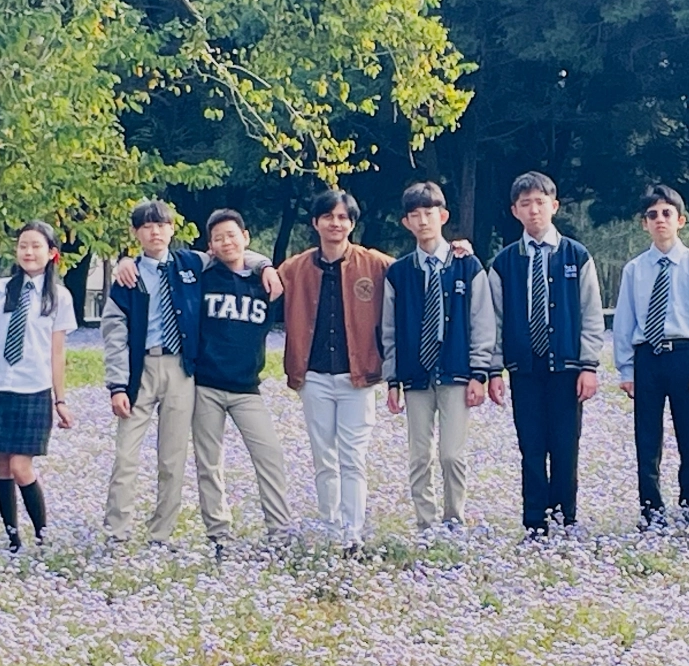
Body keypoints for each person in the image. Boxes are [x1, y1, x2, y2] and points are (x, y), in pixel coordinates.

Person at [102, 198, 279, 544]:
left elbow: (234, 253)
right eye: (146, 226)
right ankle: (116, 532)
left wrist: (266, 266)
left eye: (161, 225)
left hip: (181, 369)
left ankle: (160, 534)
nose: (155, 232)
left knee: (172, 459)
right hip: (140, 370)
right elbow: (114, 334)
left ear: (172, 229)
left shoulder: (192, 263)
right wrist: (117, 385)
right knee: (125, 456)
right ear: (136, 233)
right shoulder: (128, 276)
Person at [487, 171, 604, 534]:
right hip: (524, 369)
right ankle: (535, 522)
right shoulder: (504, 262)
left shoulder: (576, 255)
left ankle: (565, 517)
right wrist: (493, 370)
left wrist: (589, 365)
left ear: (554, 206)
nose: (534, 210)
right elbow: (494, 319)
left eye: (540, 202)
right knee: (532, 447)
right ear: (515, 211)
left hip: (567, 368)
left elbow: (590, 312)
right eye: (526, 204)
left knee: (565, 446)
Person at [278, 189, 393, 548]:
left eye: (343, 217)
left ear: (352, 224)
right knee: (324, 457)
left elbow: (415, 271)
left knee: (353, 458)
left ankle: (352, 535)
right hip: (313, 376)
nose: (335, 223)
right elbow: (257, 273)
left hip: (358, 377)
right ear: (315, 222)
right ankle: (330, 529)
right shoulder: (294, 269)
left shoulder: (374, 264)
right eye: (328, 216)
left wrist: (455, 250)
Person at [380, 182, 496, 531]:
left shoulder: (467, 265)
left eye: (429, 213)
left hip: (456, 370)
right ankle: (425, 523)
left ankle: (454, 517)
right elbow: (389, 329)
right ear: (406, 222)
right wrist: (392, 379)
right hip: (415, 374)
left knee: (451, 454)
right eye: (414, 215)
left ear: (443, 216)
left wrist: (480, 372)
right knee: (420, 455)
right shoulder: (399, 273)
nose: (423, 221)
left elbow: (482, 321)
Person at [612, 185, 689, 527]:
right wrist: (626, 369)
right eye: (653, 215)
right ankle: (651, 508)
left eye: (667, 213)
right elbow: (625, 321)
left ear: (680, 220)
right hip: (647, 357)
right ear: (644, 223)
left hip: (684, 355)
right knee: (647, 437)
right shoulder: (634, 270)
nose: (660, 220)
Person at [0, 221, 77, 551]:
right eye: (23, 245)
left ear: (52, 253)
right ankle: (13, 538)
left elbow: (57, 352)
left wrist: (61, 399)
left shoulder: (60, 297)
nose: (28, 252)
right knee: (1, 465)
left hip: (34, 389)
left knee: (20, 465)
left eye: (36, 246)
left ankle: (42, 535)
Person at [190, 209, 293, 553]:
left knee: (270, 454)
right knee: (209, 463)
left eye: (232, 235)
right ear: (210, 246)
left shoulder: (265, 282)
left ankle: (279, 531)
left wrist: (265, 266)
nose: (226, 243)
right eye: (218, 238)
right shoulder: (204, 276)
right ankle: (219, 534)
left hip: (248, 387)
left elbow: (258, 264)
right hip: (206, 384)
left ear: (245, 237)